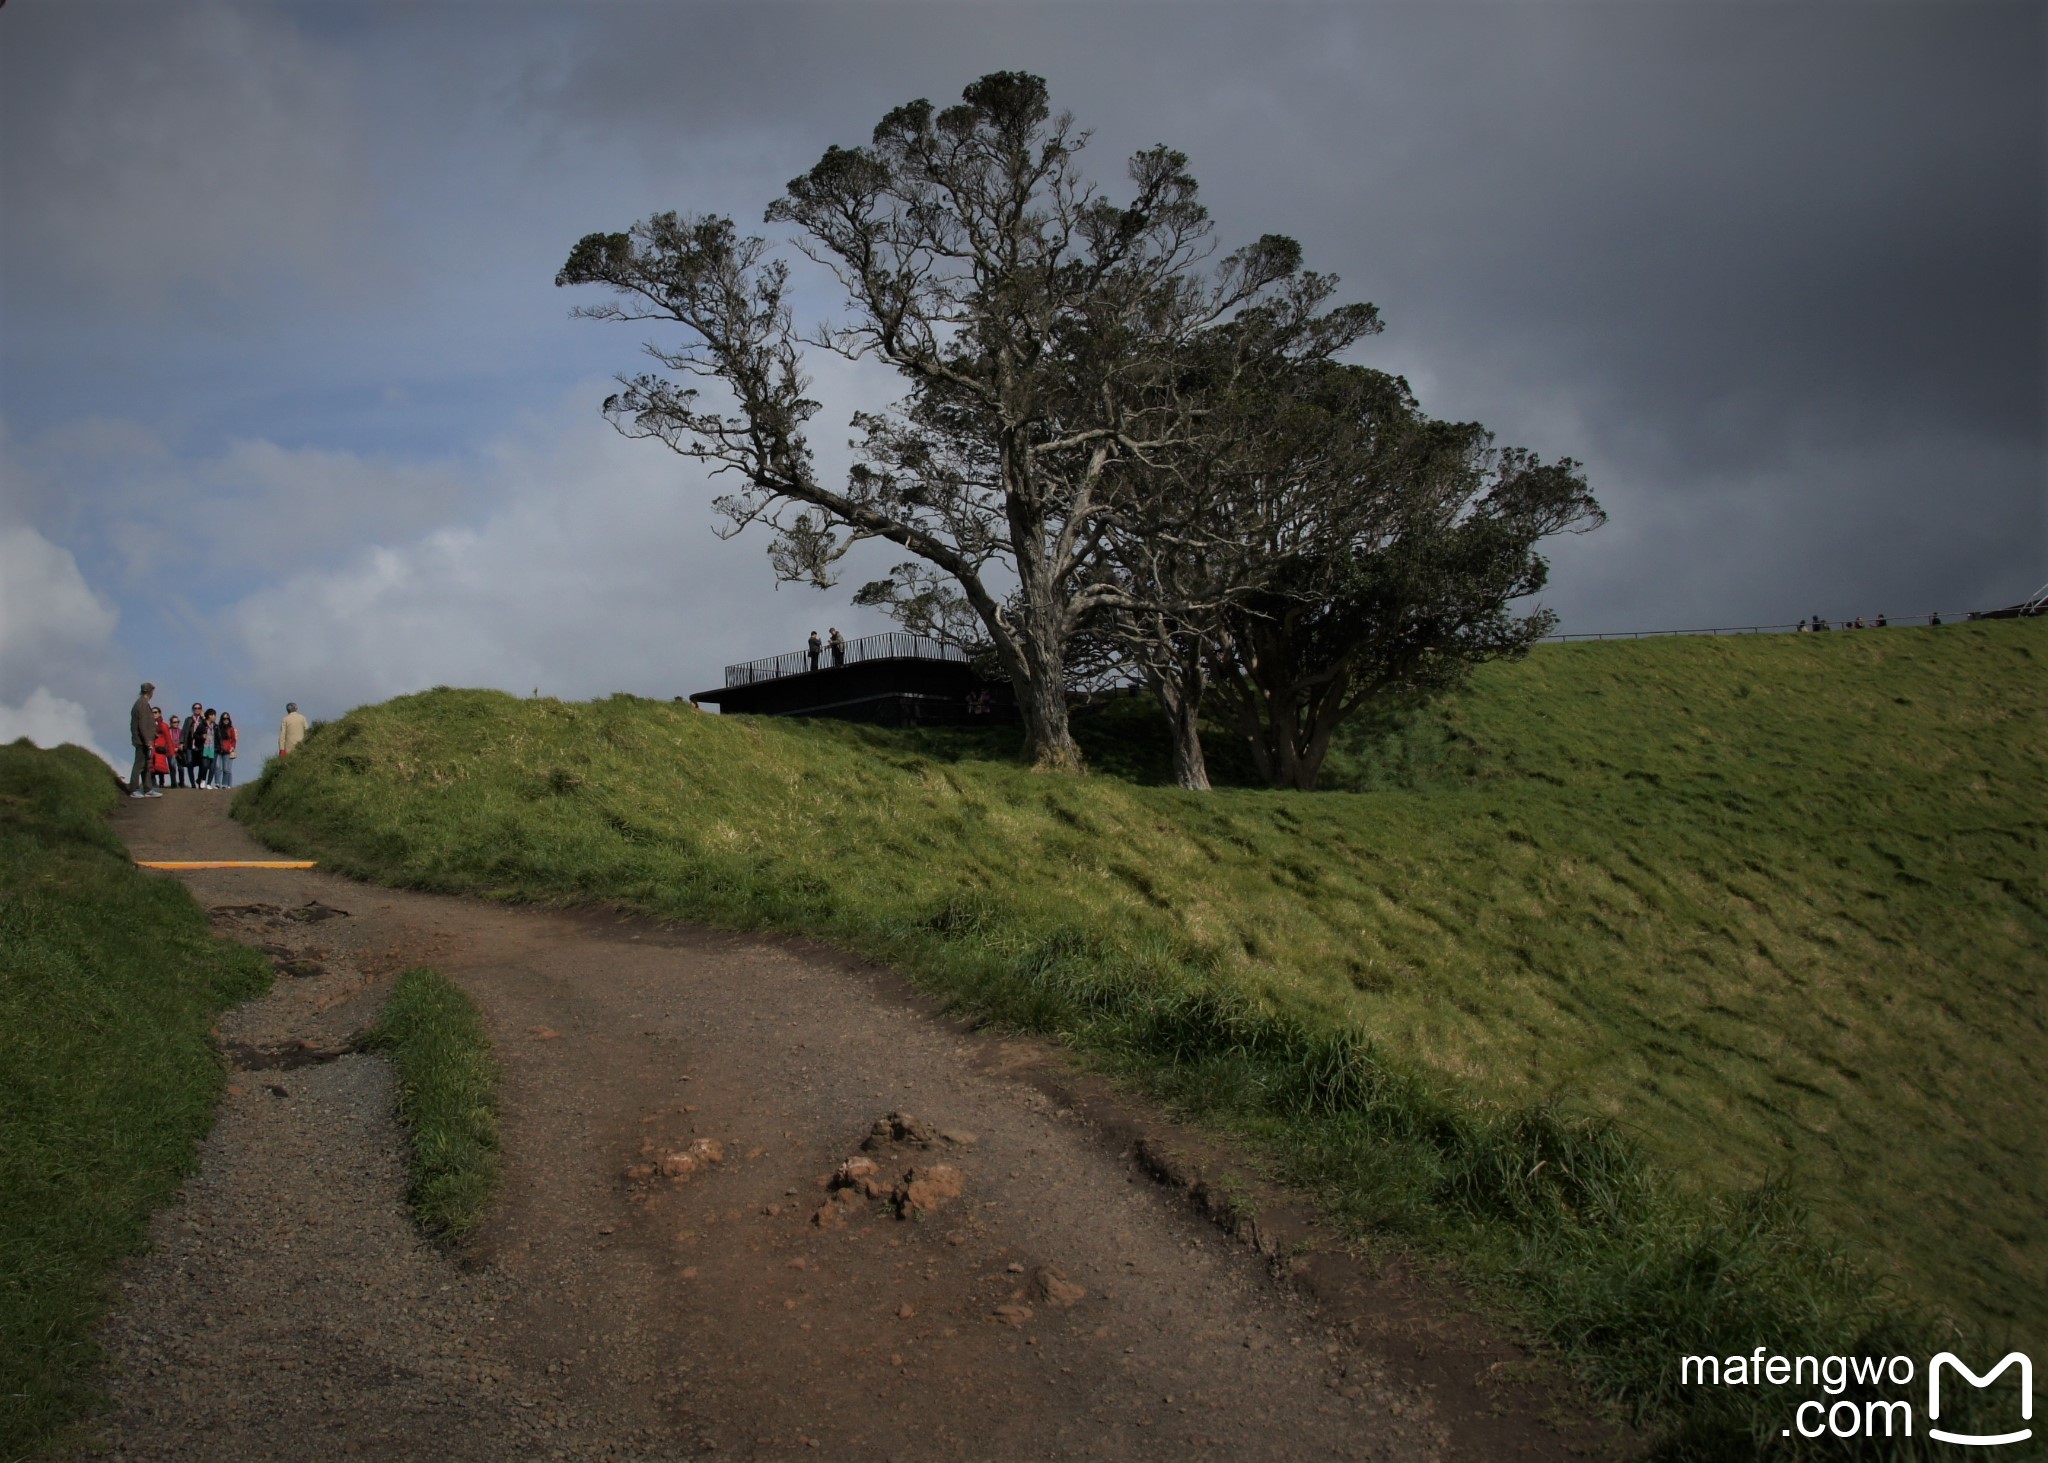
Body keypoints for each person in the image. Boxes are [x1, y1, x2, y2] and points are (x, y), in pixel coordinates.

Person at [128, 682, 162, 797]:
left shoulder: (143, 703)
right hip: (141, 741)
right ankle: (133, 789)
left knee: (147, 765)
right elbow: (142, 724)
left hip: (145, 739)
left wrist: (153, 734)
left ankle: (148, 789)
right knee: (139, 765)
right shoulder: (141, 704)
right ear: (150, 691)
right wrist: (147, 740)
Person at [214, 712, 238, 788]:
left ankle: (224, 784)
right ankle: (217, 784)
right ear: (222, 719)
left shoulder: (231, 729)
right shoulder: (218, 728)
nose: (226, 720)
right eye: (224, 719)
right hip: (219, 750)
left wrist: (232, 747)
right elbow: (215, 738)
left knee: (226, 769)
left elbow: (234, 740)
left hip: (227, 751)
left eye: (227, 718)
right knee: (218, 767)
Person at [151, 710, 174, 790]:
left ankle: (161, 783)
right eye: (152, 712)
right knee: (151, 766)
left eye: (155, 712)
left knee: (160, 765)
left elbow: (168, 738)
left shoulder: (164, 725)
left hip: (160, 748)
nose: (154, 714)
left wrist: (171, 752)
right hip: (152, 747)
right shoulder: (149, 724)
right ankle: (153, 783)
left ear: (159, 713)